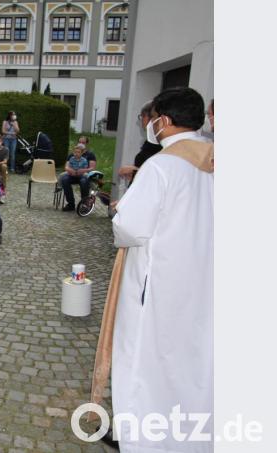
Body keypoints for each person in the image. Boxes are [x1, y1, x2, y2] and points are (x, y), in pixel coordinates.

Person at [108, 87, 213, 452]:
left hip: (158, 286)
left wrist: (121, 212)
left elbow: (131, 228)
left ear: (163, 122)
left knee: (145, 360)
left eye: (153, 119)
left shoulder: (163, 165)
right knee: (195, 361)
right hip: (204, 281)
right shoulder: (217, 160)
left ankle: (143, 438)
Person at [117, 102, 164, 185]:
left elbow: (161, 174)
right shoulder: (151, 141)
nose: (141, 120)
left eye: (141, 116)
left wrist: (135, 171)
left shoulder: (162, 143)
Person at [59, 144, 95, 212]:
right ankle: (71, 204)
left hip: (81, 175)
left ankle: (84, 204)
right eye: (75, 152)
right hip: (72, 175)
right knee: (64, 179)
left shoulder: (84, 160)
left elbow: (86, 169)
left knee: (84, 181)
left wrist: (82, 171)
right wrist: (70, 170)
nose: (76, 154)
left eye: (78, 152)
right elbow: (67, 167)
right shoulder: (71, 159)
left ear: (82, 153)